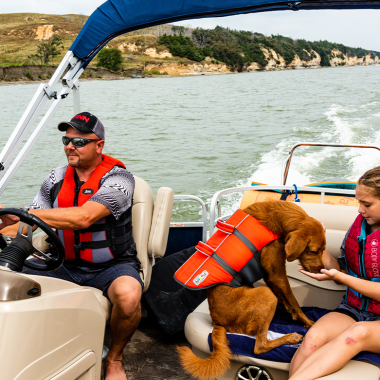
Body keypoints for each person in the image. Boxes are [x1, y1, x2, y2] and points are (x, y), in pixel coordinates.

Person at [0, 111, 142, 380]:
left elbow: (83, 217)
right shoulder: (54, 178)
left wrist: (22, 213)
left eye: (79, 141)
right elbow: (28, 223)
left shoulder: (120, 179)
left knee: (129, 295)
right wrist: (6, 219)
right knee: (7, 282)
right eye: (66, 140)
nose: (69, 146)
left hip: (112, 266)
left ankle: (114, 359)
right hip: (63, 263)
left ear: (99, 145)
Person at [289, 166, 380, 380]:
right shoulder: (362, 226)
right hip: (354, 309)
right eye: (358, 202)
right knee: (313, 339)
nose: (359, 210)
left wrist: (341, 277)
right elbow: (340, 269)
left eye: (366, 204)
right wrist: (318, 242)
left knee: (356, 335)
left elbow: (342, 277)